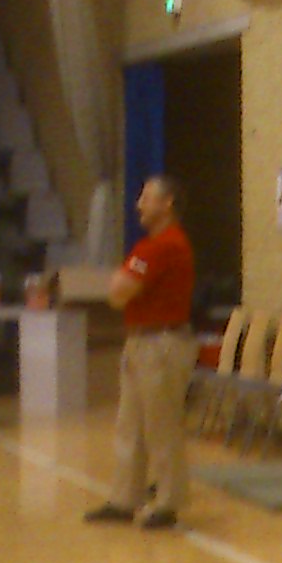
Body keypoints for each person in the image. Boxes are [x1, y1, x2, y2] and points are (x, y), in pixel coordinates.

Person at [86, 174, 197, 529]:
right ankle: (125, 499)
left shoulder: (165, 246)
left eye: (147, 198)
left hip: (161, 345)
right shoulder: (149, 247)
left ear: (167, 204)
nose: (139, 206)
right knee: (130, 425)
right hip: (140, 342)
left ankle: (168, 502)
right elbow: (119, 291)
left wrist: (123, 284)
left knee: (161, 426)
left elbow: (119, 291)